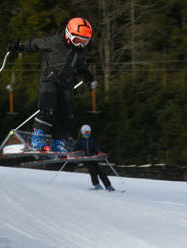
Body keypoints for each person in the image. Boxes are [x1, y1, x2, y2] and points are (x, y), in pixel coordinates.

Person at [8, 17, 96, 152]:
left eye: (84, 42)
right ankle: (37, 139)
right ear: (68, 34)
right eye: (77, 40)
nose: (80, 45)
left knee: (67, 113)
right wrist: (20, 47)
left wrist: (87, 75)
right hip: (50, 80)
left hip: (67, 84)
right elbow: (36, 44)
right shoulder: (55, 42)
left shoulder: (80, 52)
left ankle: (58, 142)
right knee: (47, 108)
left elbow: (81, 66)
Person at [73, 124, 115, 191]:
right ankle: (96, 185)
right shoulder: (80, 141)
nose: (87, 134)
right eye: (86, 132)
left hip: (93, 158)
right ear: (82, 132)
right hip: (85, 159)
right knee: (93, 170)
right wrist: (79, 153)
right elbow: (74, 150)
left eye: (88, 132)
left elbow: (96, 150)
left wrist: (100, 154)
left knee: (101, 170)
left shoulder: (92, 140)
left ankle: (108, 186)